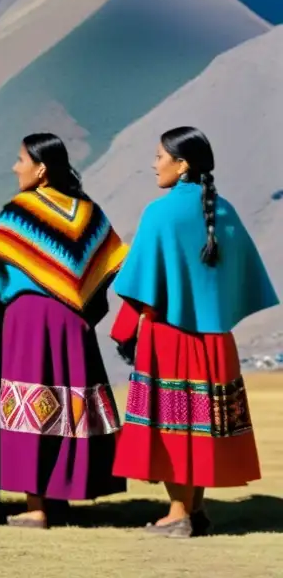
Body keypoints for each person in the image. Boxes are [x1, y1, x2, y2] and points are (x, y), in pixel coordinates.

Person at [111, 127, 278, 538]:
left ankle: (177, 513)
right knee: (203, 426)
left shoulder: (159, 213)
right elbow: (241, 277)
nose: (154, 164)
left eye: (159, 156)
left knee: (172, 426)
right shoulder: (225, 211)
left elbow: (139, 284)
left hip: (168, 336)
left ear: (181, 163)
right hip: (216, 342)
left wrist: (123, 329)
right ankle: (196, 511)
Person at [0, 133, 128, 529]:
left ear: (41, 168)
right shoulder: (88, 214)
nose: (15, 167)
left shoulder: (17, 213)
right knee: (68, 405)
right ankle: (60, 496)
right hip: (73, 324)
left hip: (27, 321)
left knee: (30, 403)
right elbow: (108, 269)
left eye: (20, 160)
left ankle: (36, 506)